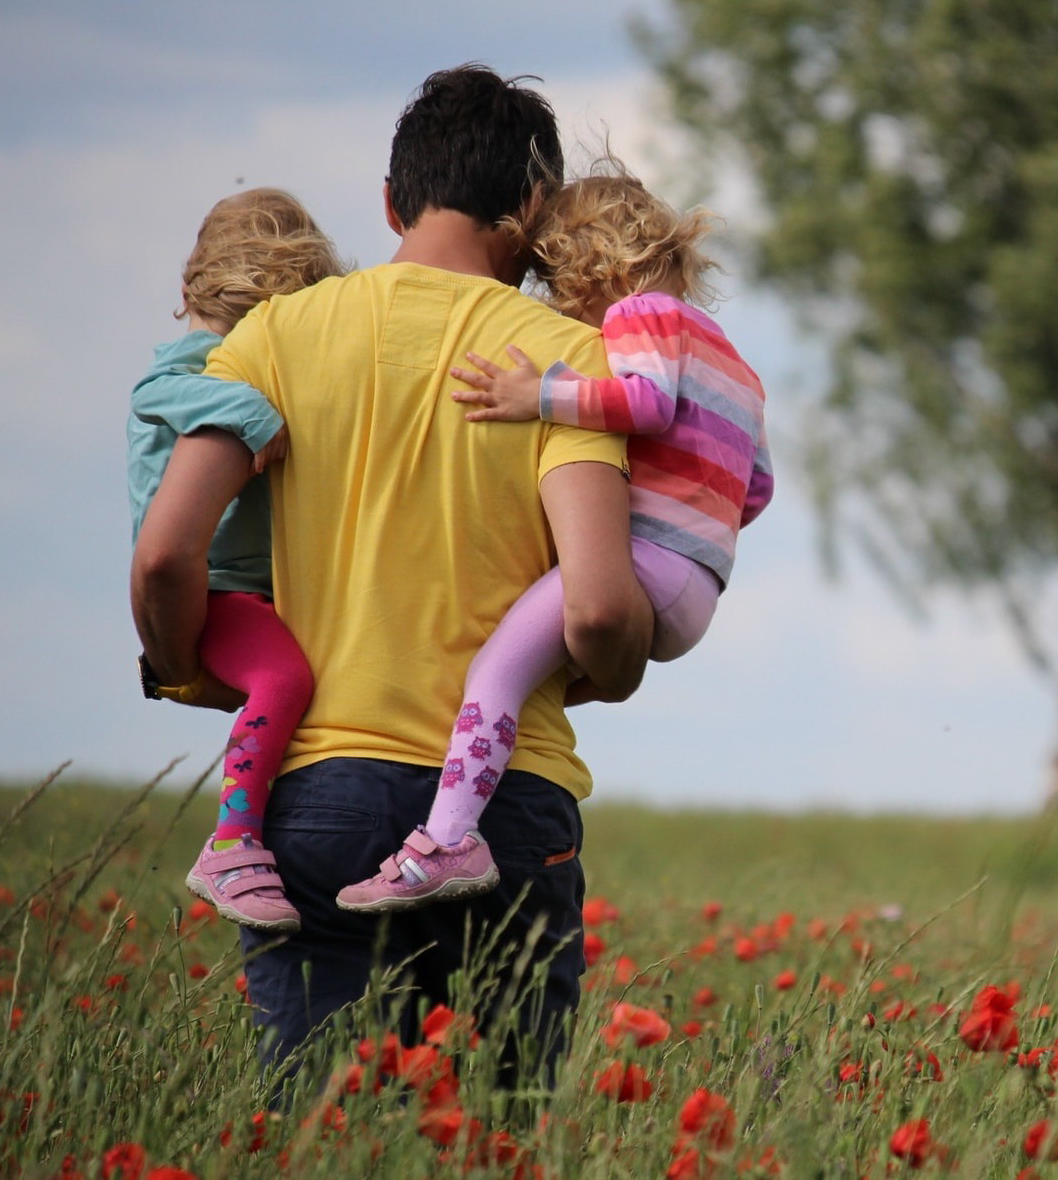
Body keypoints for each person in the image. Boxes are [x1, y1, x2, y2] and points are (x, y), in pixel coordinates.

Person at [131, 64, 652, 1066]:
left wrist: (190, 664)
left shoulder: (272, 337)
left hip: (316, 792)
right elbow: (595, 610)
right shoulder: (565, 362)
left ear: (389, 201)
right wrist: (616, 668)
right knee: (499, 1133)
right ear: (534, 207)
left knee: (326, 1134)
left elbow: (163, 554)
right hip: (506, 804)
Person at [336, 169, 773, 912]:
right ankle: (469, 807)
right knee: (534, 674)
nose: (562, 307)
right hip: (700, 585)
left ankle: (447, 840)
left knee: (495, 673)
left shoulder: (641, 315)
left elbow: (645, 402)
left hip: (646, 564)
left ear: (590, 267)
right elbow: (755, 488)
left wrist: (535, 395)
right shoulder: (737, 363)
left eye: (557, 284)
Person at [129, 188, 345, 933]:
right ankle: (233, 841)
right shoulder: (195, 364)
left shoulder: (231, 355)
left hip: (253, 590)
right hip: (217, 589)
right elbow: (156, 390)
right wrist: (253, 412)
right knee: (285, 678)